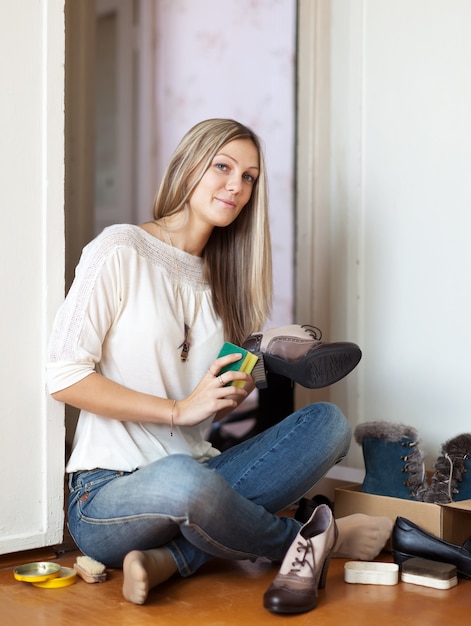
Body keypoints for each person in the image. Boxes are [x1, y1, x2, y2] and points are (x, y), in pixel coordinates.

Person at [47, 118, 391, 607]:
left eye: (249, 177)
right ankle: (315, 540)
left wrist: (232, 391)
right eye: (223, 166)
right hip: (108, 494)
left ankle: (174, 559)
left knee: (330, 424)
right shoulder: (120, 249)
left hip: (201, 474)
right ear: (189, 167)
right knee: (185, 482)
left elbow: (208, 417)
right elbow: (63, 376)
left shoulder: (226, 287)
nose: (236, 185)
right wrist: (177, 410)